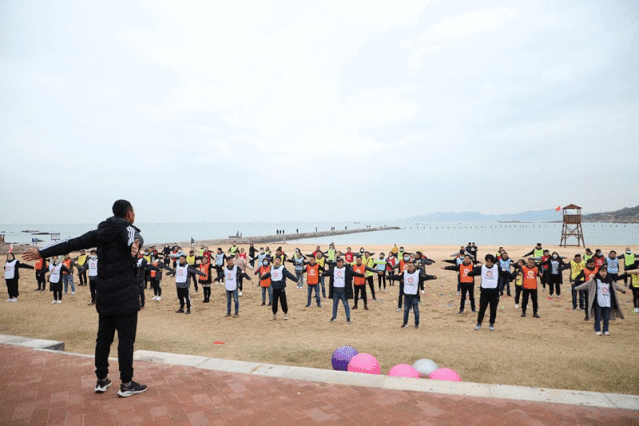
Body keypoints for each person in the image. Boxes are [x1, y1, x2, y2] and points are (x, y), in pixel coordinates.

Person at [23, 199, 147, 397]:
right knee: (125, 340)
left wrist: (42, 252)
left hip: (104, 295)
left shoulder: (99, 233)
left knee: (103, 338)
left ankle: (101, 380)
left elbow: (70, 244)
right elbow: (132, 235)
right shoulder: (128, 229)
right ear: (129, 214)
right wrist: (134, 244)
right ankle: (126, 383)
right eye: (133, 213)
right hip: (125, 296)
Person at [574, 265, 626, 336]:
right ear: (599, 272)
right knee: (597, 317)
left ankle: (606, 330)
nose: (604, 273)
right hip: (598, 301)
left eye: (605, 271)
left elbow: (616, 286)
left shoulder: (610, 280)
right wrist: (576, 288)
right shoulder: (595, 280)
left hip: (607, 301)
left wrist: (622, 290)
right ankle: (597, 330)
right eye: (602, 271)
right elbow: (586, 285)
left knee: (606, 317)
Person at [467, 254, 513, 331]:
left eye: (490, 262)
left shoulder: (497, 268)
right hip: (484, 291)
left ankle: (491, 323)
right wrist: (469, 273)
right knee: (482, 308)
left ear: (493, 262)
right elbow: (474, 272)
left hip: (494, 292)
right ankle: (479, 323)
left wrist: (512, 276)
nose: (489, 263)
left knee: (493, 309)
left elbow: (505, 273)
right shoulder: (482, 268)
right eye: (488, 262)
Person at [389, 261, 437, 328]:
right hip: (407, 294)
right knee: (406, 310)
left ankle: (417, 324)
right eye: (409, 266)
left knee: (416, 310)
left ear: (414, 267)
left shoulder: (418, 274)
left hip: (414, 295)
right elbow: (396, 276)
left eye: (411, 266)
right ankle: (405, 323)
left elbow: (425, 276)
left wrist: (433, 277)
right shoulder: (404, 273)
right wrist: (388, 277)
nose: (410, 267)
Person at [323, 258, 364, 323]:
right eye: (338, 262)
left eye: (340, 262)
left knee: (346, 304)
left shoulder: (346, 269)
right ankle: (334, 317)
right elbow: (327, 273)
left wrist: (363, 275)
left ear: (343, 263)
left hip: (343, 290)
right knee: (335, 304)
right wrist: (321, 274)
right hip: (335, 290)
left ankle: (348, 318)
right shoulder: (334, 269)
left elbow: (354, 273)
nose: (339, 263)